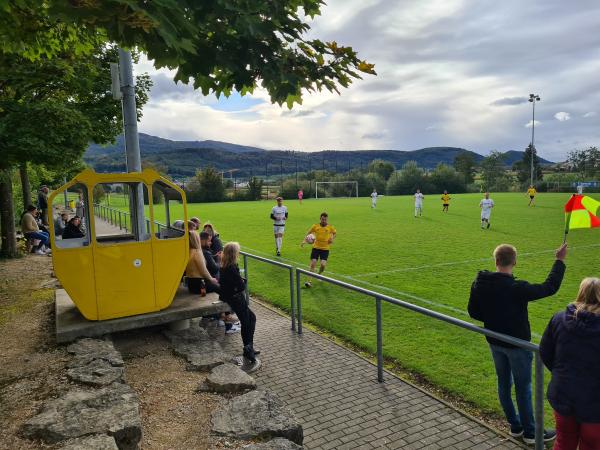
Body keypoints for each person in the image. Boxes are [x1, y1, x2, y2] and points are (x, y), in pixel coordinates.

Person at [468, 242, 568, 445]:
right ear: (514, 262)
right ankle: (530, 433)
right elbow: (549, 287)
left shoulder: (480, 282)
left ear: (496, 261)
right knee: (523, 388)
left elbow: (474, 312)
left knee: (503, 382)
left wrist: (493, 317)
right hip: (517, 346)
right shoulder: (516, 288)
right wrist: (559, 261)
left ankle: (515, 426)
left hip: (495, 342)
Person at [539, 278, 600, 450]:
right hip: (593, 404)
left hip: (565, 394)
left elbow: (546, 352)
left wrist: (562, 373)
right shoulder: (559, 318)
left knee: (564, 442)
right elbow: (546, 352)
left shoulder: (559, 318)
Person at [219, 242, 260, 372]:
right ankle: (248, 349)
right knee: (247, 321)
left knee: (251, 318)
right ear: (233, 254)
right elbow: (241, 286)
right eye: (237, 252)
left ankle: (249, 347)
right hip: (236, 299)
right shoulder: (231, 267)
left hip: (233, 298)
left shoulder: (226, 266)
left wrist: (239, 280)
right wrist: (241, 281)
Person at [301, 212, 336, 288]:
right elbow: (309, 233)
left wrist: (332, 238)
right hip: (316, 248)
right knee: (313, 263)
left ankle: (319, 274)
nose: (324, 221)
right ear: (320, 219)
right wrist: (304, 241)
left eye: (325, 220)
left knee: (323, 265)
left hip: (325, 249)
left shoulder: (330, 227)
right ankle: (309, 281)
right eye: (322, 219)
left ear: (327, 220)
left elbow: (334, 233)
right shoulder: (315, 226)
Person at [186, 225, 219, 295]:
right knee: (222, 287)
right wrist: (211, 279)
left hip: (191, 284)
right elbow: (203, 270)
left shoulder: (189, 250)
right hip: (199, 285)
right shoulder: (197, 252)